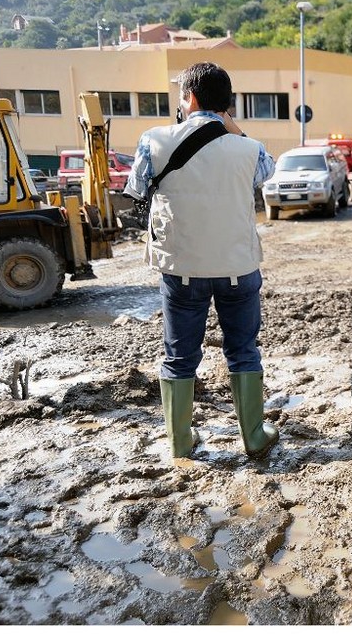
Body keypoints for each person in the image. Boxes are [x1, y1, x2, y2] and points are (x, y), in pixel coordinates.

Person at [124, 62, 278, 461]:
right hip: (238, 268)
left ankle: (180, 441)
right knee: (244, 349)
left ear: (188, 98)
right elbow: (266, 172)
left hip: (182, 270)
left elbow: (135, 186)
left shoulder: (154, 140)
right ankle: (255, 437)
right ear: (227, 105)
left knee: (179, 356)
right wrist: (232, 126)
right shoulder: (250, 149)